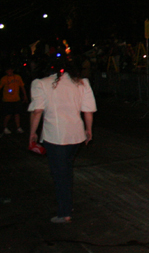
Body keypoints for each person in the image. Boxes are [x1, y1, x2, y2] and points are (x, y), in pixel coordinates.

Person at [28, 57, 97, 223]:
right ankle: (67, 203)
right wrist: (88, 130)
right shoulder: (82, 83)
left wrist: (32, 133)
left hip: (55, 136)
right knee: (66, 169)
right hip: (76, 135)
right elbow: (88, 111)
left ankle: (64, 212)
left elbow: (37, 111)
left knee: (60, 174)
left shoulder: (41, 83)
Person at [1, 65, 28, 134]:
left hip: (16, 99)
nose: (9, 72)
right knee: (8, 114)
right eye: (7, 71)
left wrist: (25, 95)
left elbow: (22, 86)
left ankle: (18, 127)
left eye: (10, 70)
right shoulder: (4, 79)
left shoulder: (17, 77)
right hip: (7, 99)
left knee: (17, 113)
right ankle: (5, 127)